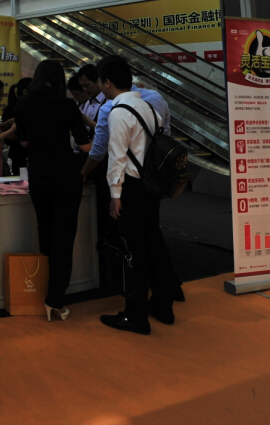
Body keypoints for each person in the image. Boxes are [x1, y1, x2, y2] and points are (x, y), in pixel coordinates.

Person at [97, 56, 180, 335]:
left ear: (107, 82)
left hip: (131, 188)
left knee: (133, 250)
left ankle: (135, 315)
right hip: (151, 186)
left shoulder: (118, 111)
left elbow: (117, 157)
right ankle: (162, 305)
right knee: (152, 243)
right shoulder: (148, 107)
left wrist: (115, 195)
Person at [14, 60, 93, 321]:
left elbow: (24, 142)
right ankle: (55, 299)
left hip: (38, 175)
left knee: (45, 231)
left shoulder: (23, 103)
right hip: (65, 176)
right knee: (64, 236)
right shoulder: (67, 104)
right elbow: (84, 146)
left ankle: (46, 292)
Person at [2, 77, 33, 175]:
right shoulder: (15, 110)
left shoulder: (11, 109)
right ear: (25, 92)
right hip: (19, 155)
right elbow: (7, 139)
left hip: (21, 155)